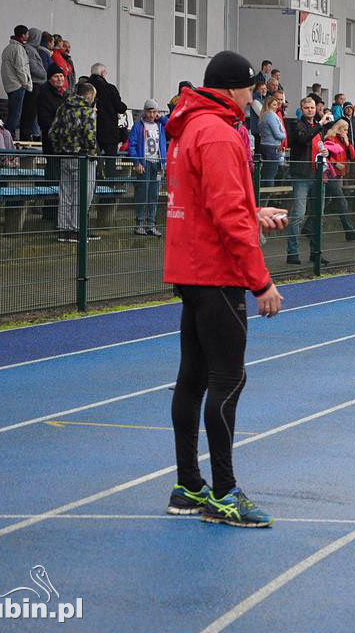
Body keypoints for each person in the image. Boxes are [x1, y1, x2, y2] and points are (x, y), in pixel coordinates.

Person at [162, 49, 287, 528]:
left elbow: (210, 200)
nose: (256, 95)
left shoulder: (191, 125)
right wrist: (262, 282)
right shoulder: (217, 131)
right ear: (236, 89)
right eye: (253, 88)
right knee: (227, 380)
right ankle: (224, 493)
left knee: (193, 379)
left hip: (191, 266)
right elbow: (227, 214)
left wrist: (254, 212)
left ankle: (188, 486)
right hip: (216, 271)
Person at [48, 81, 99, 243]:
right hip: (83, 158)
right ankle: (77, 229)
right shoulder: (88, 111)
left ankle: (64, 230)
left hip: (65, 156)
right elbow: (90, 137)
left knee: (65, 193)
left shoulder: (63, 108)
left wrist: (60, 149)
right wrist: (93, 153)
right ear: (89, 95)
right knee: (83, 194)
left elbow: (53, 132)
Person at [286, 95, 332, 265]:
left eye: (312, 107)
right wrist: (320, 124)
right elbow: (303, 138)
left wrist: (325, 152)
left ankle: (316, 252)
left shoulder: (319, 128)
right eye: (307, 108)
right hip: (301, 176)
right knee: (298, 215)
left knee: (318, 215)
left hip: (318, 174)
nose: (310, 110)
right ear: (302, 109)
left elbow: (319, 145)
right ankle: (292, 252)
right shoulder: (296, 124)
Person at [128, 99, 169, 236]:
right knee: (142, 193)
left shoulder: (160, 125)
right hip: (144, 163)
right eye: (149, 111)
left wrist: (162, 118)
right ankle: (139, 223)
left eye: (154, 112)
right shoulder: (138, 126)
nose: (152, 115)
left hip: (157, 163)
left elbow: (172, 126)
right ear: (145, 112)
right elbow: (132, 145)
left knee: (154, 194)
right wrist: (137, 162)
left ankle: (151, 223)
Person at [322, 119, 355, 242]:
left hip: (339, 174)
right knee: (341, 201)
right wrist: (335, 163)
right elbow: (325, 156)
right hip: (331, 173)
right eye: (344, 129)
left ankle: (308, 226)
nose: (346, 132)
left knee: (326, 199)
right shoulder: (330, 139)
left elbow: (352, 156)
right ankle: (349, 231)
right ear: (338, 128)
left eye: (347, 130)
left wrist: (348, 143)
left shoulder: (343, 141)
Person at [88, 63, 128, 177]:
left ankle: (93, 181)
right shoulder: (110, 88)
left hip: (92, 129)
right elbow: (120, 107)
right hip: (109, 130)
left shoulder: (86, 87)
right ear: (102, 73)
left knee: (92, 160)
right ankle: (109, 184)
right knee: (110, 160)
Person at [0, 25, 31, 140]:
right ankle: (10, 136)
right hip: (17, 84)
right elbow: (21, 68)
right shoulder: (18, 49)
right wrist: (25, 83)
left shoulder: (8, 48)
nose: (28, 36)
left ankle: (9, 135)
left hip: (10, 84)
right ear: (23, 35)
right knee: (15, 113)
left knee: (13, 111)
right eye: (27, 33)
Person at [35, 64, 67, 156]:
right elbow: (44, 121)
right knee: (53, 167)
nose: (60, 79)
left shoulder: (64, 94)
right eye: (56, 76)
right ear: (49, 78)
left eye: (61, 76)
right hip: (52, 141)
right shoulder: (44, 95)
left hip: (63, 140)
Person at [257, 94, 285, 186]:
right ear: (268, 105)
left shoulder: (263, 116)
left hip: (264, 144)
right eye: (274, 104)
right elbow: (277, 134)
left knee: (266, 173)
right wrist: (283, 135)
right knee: (271, 174)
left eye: (276, 104)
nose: (276, 106)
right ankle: (268, 196)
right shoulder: (271, 116)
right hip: (272, 147)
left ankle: (264, 195)